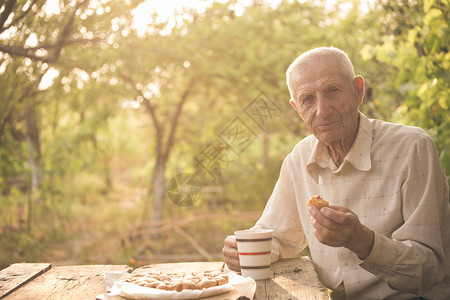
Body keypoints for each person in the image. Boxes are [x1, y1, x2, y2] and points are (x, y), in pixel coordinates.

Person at [222, 47, 450, 299]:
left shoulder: (412, 147)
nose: (322, 110)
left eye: (332, 91)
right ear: (296, 107)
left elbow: (430, 269)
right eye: (308, 99)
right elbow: (277, 237)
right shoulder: (298, 159)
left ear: (358, 91)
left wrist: (363, 241)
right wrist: (243, 247)